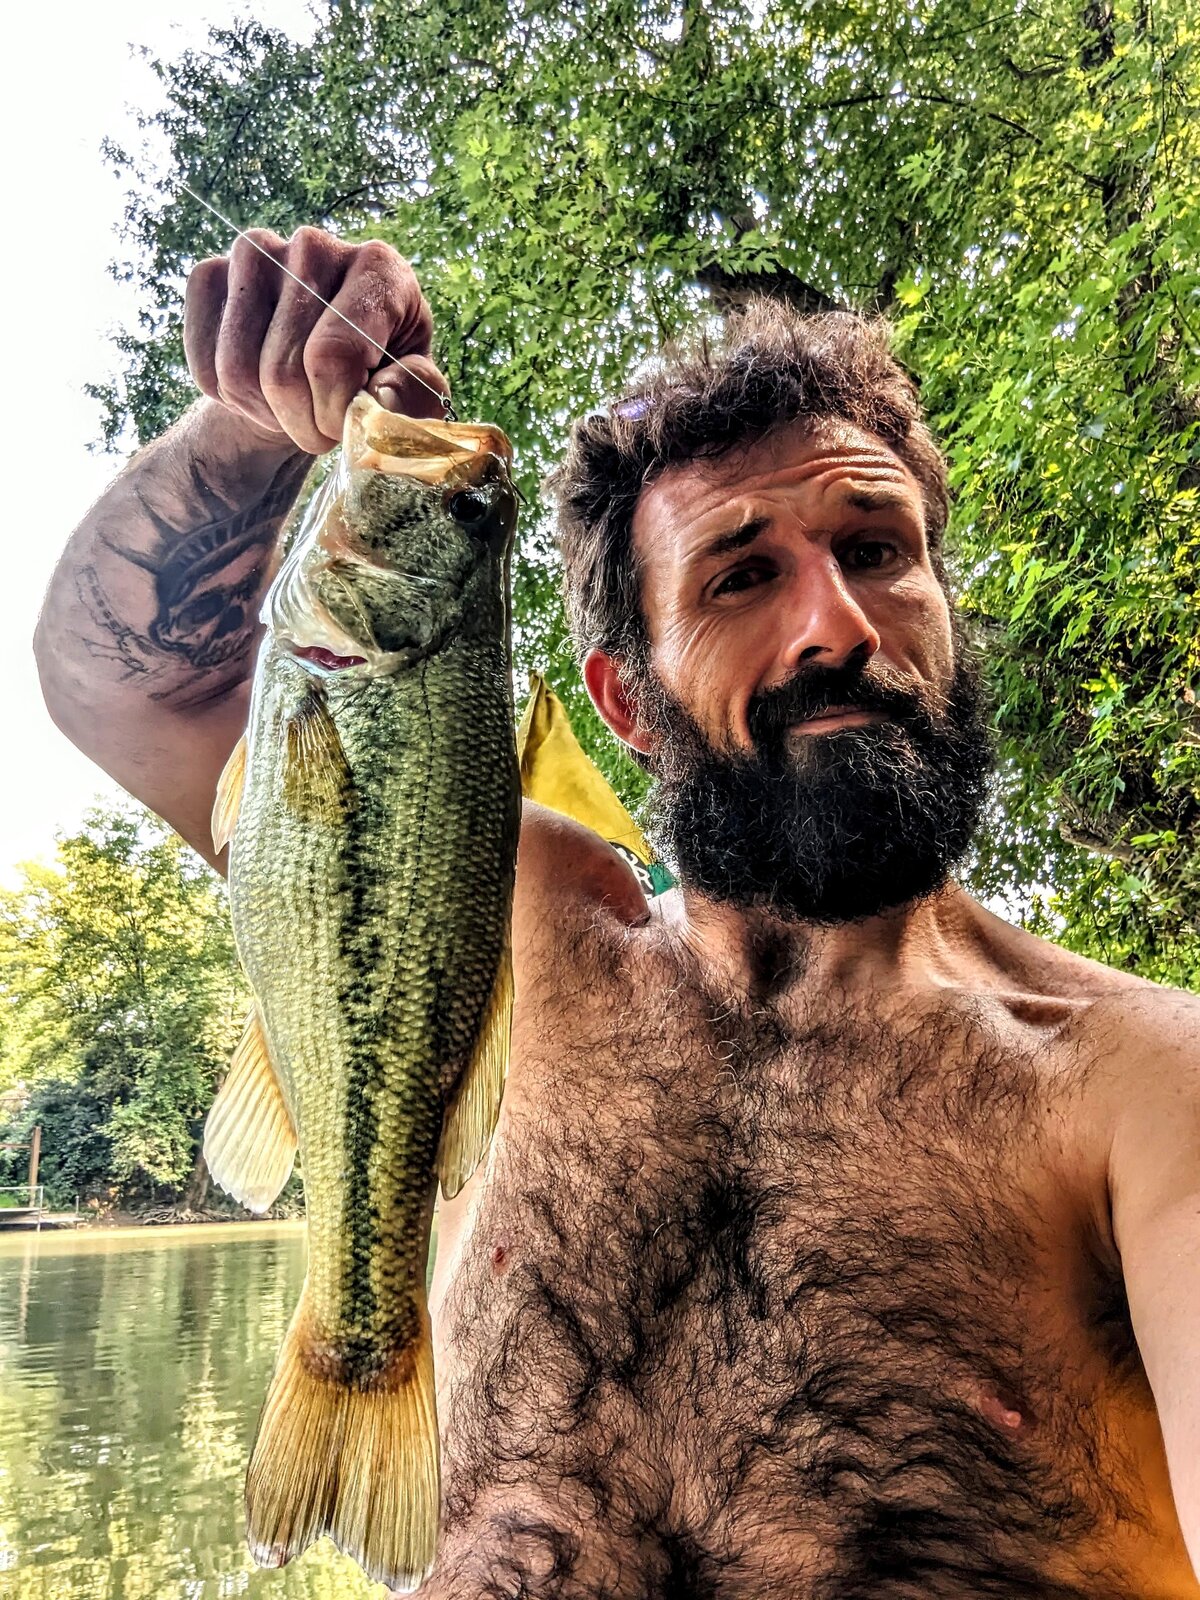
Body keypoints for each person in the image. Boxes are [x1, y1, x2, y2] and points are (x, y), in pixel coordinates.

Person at [35, 227, 1200, 1599]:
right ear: (626, 704)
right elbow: (120, 677)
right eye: (742, 575)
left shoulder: (1145, 1087)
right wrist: (259, 419)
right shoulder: (506, 920)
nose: (836, 625)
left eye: (877, 550)